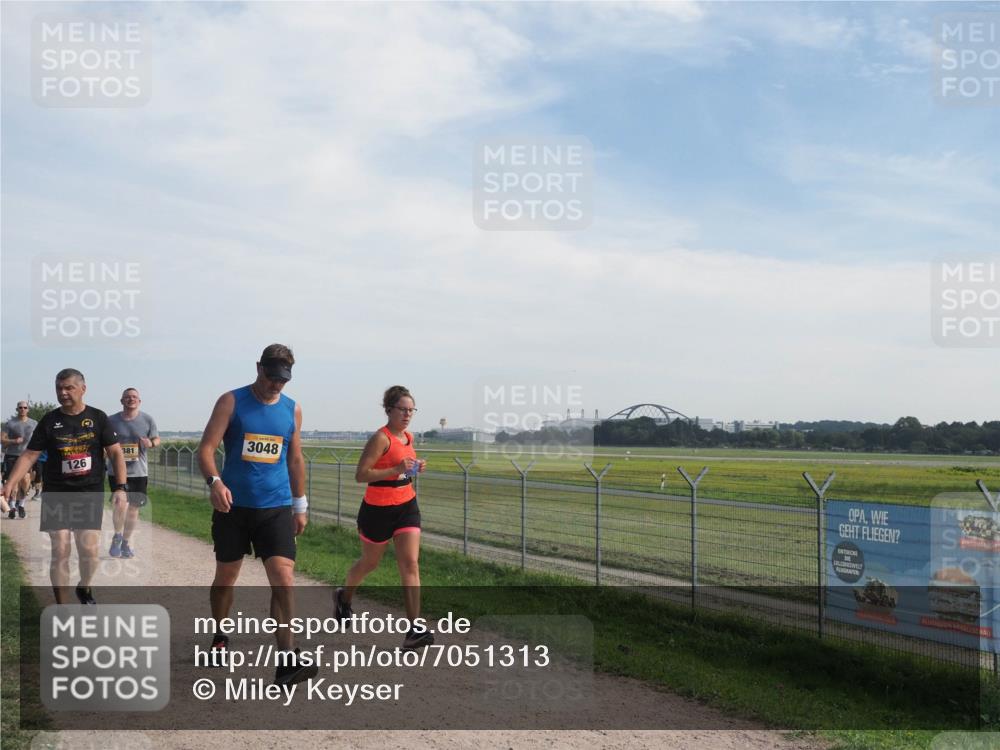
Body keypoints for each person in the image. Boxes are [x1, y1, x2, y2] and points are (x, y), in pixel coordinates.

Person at [197, 344, 316, 686]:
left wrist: (300, 505)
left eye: (283, 380)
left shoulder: (292, 410)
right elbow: (206, 449)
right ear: (258, 368)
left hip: (275, 507)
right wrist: (215, 482)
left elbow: (295, 459)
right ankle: (220, 635)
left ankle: (287, 659)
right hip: (233, 507)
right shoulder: (231, 401)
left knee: (284, 578)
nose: (276, 385)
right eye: (271, 377)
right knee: (226, 577)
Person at [0, 370, 128, 604]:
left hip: (88, 492)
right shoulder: (49, 421)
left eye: (69, 387)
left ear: (83, 389)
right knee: (60, 551)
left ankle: (84, 586)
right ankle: (62, 609)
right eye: (59, 388)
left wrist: (120, 487)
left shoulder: (98, 418)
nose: (63, 392)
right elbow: (29, 455)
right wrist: (9, 483)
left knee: (89, 553)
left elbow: (116, 453)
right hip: (56, 493)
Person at [335, 385, 431, 650]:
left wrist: (414, 469)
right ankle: (344, 597)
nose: (408, 414)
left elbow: (402, 473)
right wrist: (395, 468)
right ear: (389, 410)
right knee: (369, 563)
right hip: (377, 510)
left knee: (410, 564)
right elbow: (361, 474)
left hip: (406, 506)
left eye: (411, 410)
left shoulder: (408, 438)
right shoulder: (381, 438)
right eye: (403, 409)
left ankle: (414, 630)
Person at [107, 388, 160, 558]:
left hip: (138, 472)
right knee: (119, 505)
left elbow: (156, 438)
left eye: (134, 397)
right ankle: (117, 535)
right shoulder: (111, 420)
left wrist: (151, 443)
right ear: (122, 401)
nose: (131, 399)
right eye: (128, 397)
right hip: (116, 471)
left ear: (139, 401)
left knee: (133, 509)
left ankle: (126, 542)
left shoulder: (147, 419)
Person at [1, 401, 37, 519]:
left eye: (25, 407)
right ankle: (12, 507)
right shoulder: (10, 423)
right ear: (17, 409)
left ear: (28, 409)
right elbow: (2, 439)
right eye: (20, 407)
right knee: (14, 482)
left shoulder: (34, 423)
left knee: (26, 480)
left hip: (27, 456)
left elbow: (40, 438)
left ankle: (21, 504)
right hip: (12, 455)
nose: (22, 409)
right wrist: (13, 441)